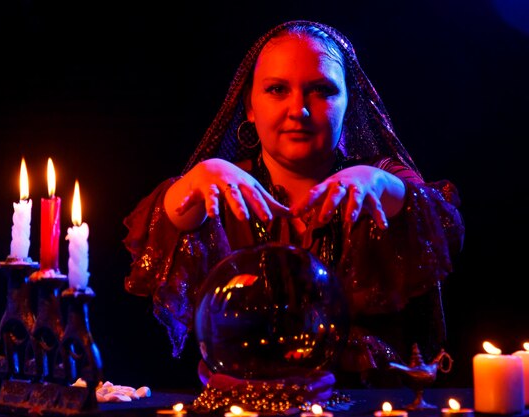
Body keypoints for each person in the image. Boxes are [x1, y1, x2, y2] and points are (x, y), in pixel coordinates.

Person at [123, 19, 464, 408]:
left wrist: (383, 186)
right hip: (242, 406)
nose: (298, 110)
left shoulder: (381, 180)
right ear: (249, 107)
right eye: (276, 89)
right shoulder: (221, 188)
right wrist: (197, 179)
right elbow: (168, 222)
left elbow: (440, 222)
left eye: (321, 90)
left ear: (349, 105)